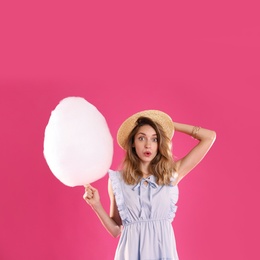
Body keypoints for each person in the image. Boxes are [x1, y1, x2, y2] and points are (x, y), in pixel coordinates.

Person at [83, 110, 216, 260]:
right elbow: (116, 230)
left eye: (154, 139)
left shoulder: (170, 175)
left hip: (163, 253)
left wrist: (169, 125)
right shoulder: (117, 181)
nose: (148, 145)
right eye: (141, 138)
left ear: (160, 144)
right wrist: (96, 205)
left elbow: (209, 136)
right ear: (132, 143)